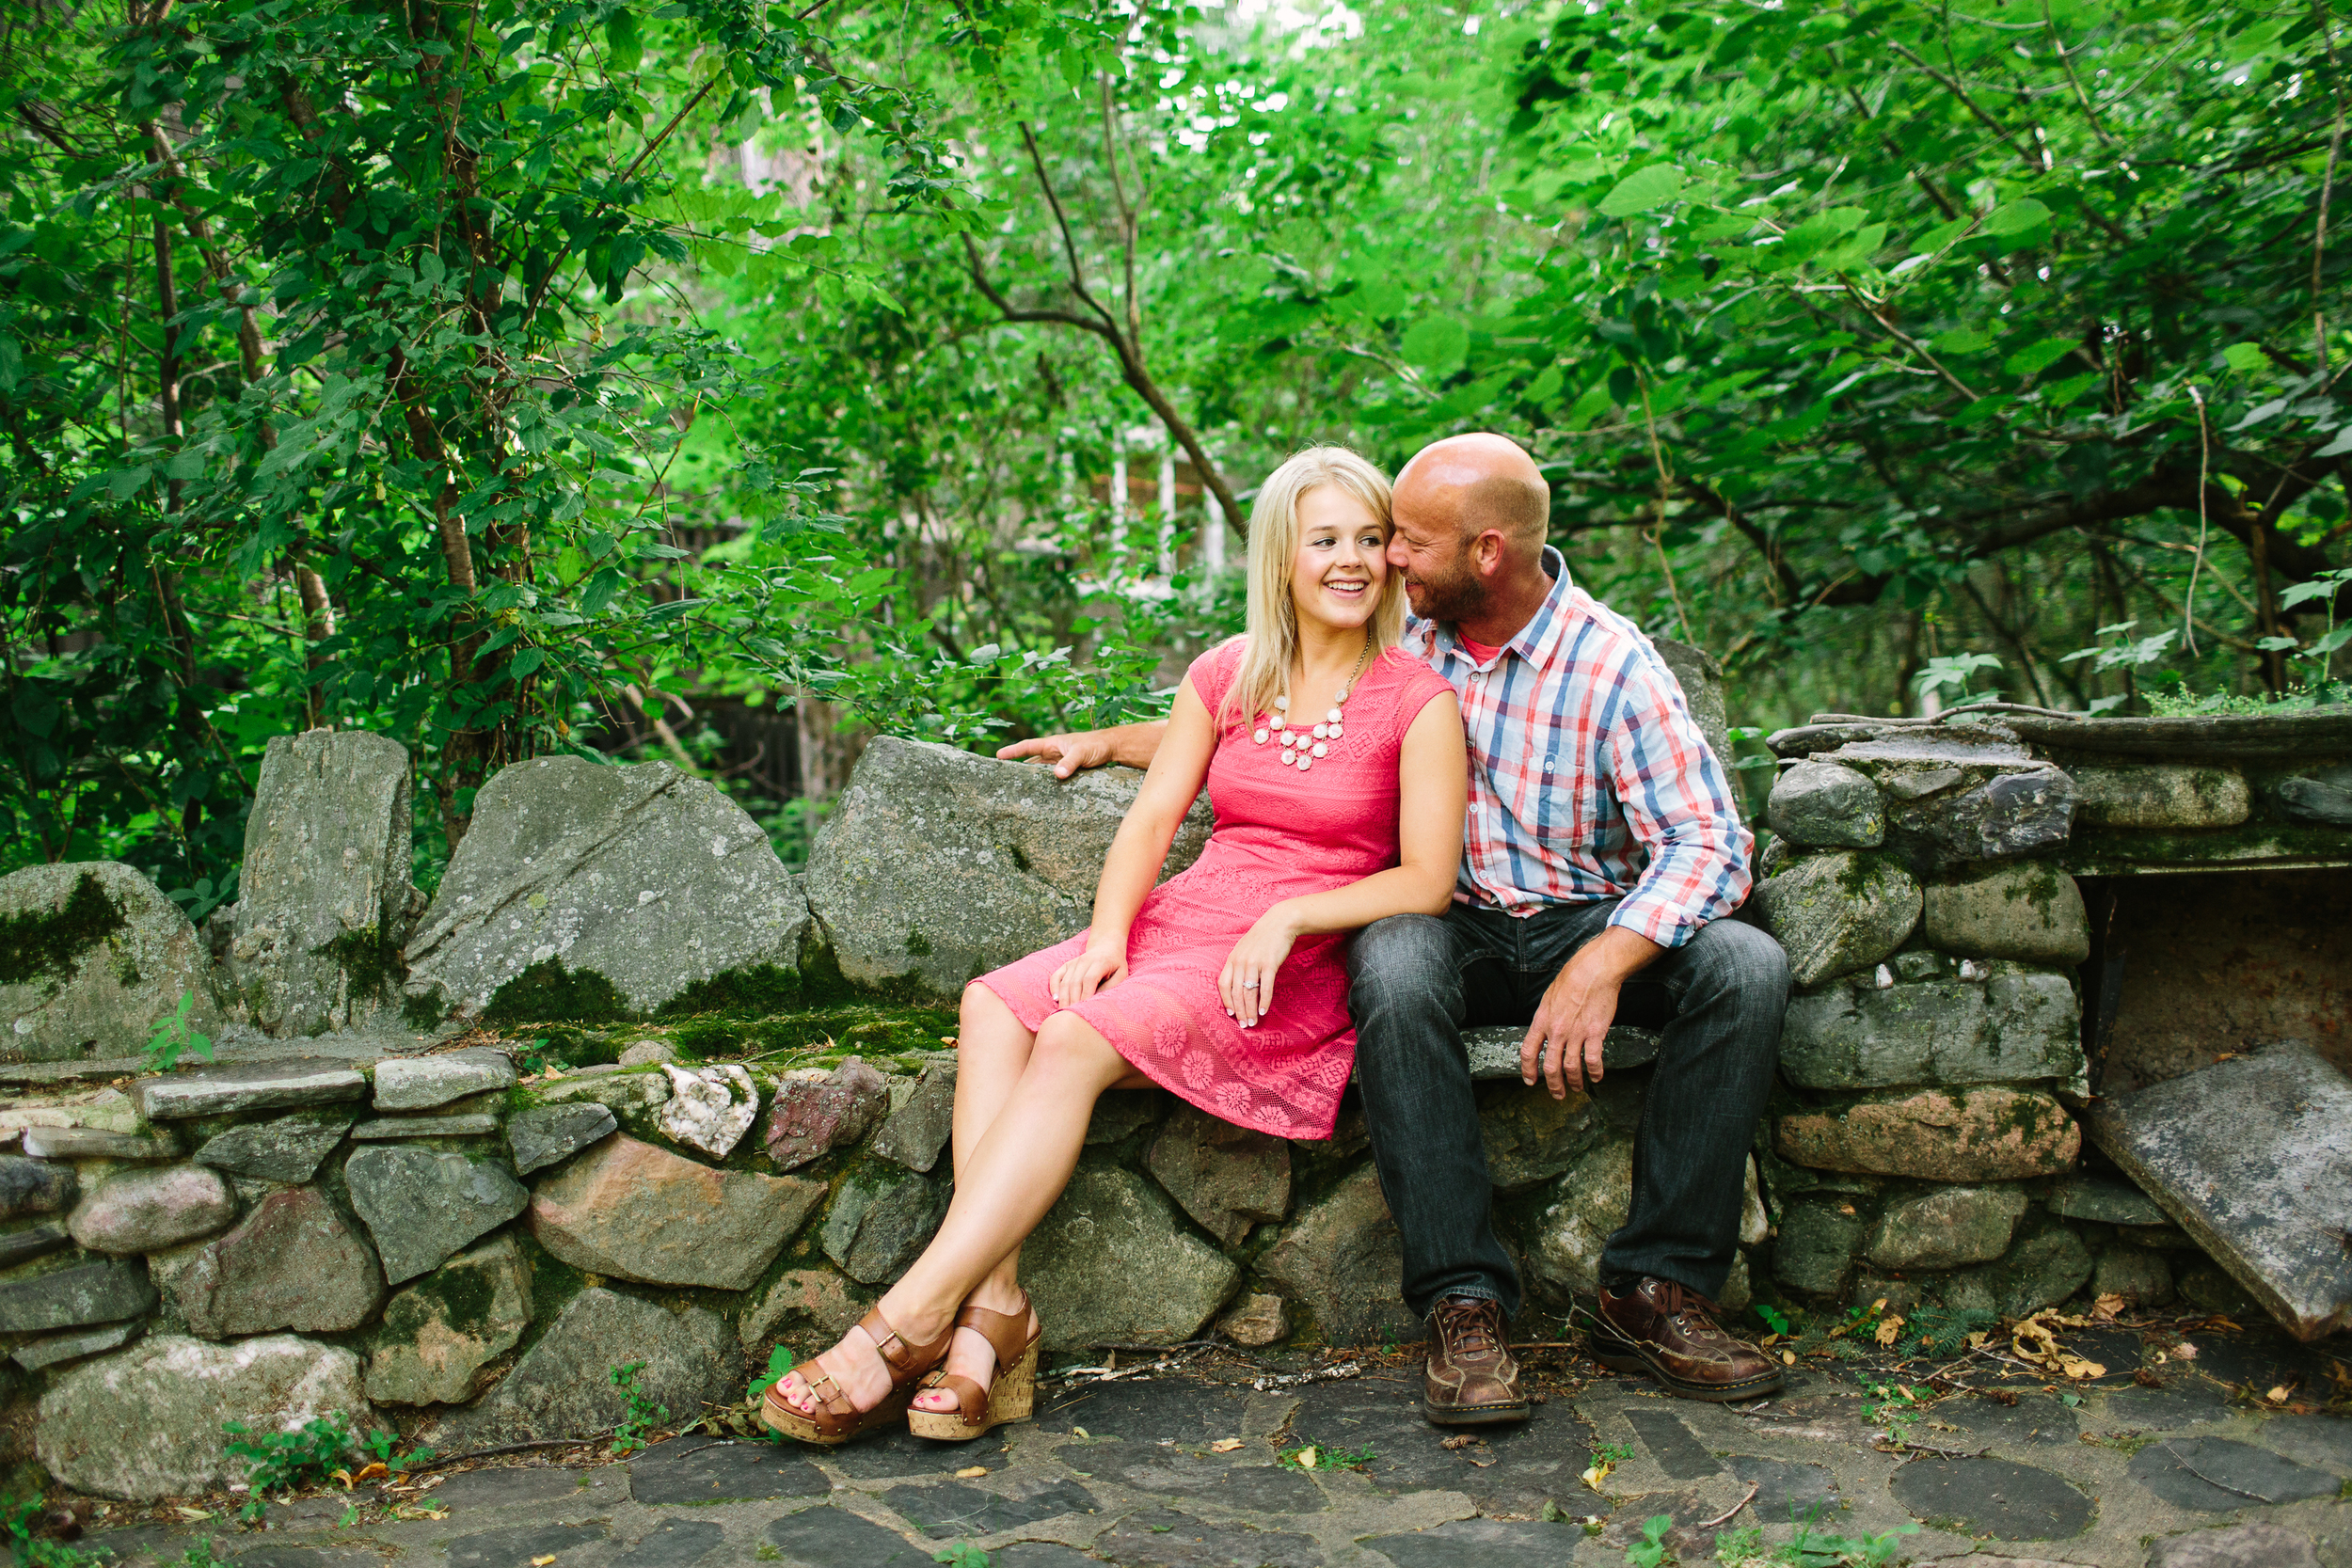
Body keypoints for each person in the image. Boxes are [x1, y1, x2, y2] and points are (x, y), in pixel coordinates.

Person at [1000, 432, 1789, 1418]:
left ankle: (1655, 1290)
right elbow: (1278, 719)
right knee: (1395, 959)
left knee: (1747, 965)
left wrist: (1604, 961)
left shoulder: (1610, 664)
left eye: (1405, 541)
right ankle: (1462, 1306)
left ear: (1486, 552)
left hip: (1588, 921)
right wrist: (1112, 741)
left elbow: (1711, 844)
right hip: (1443, 920)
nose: (1386, 561)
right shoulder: (1404, 631)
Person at [762, 446, 1469, 1445]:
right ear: (1280, 556)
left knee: (1072, 1038)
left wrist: (1292, 915)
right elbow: (1147, 824)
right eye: (1325, 540)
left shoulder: (1417, 697)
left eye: (1367, 540)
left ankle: (906, 1319)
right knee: (995, 1002)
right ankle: (991, 1317)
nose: (1350, 561)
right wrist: (1106, 934)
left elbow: (1425, 880)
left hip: (1288, 957)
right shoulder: (1228, 673)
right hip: (1190, 916)